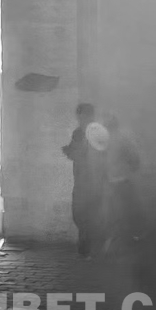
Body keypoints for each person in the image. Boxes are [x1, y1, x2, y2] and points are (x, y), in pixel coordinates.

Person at [62, 103, 108, 260]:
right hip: (81, 180)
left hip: (95, 180)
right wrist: (70, 151)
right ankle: (87, 247)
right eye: (79, 117)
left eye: (83, 117)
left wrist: (74, 152)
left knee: (92, 214)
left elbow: (100, 155)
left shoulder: (97, 132)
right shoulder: (78, 133)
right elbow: (75, 151)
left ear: (90, 116)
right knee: (80, 214)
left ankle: (90, 248)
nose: (81, 120)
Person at [102, 114, 143, 252]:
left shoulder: (111, 140)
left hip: (115, 181)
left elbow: (134, 158)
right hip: (120, 180)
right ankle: (127, 238)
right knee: (125, 210)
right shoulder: (122, 139)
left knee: (117, 211)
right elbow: (135, 159)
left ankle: (117, 239)